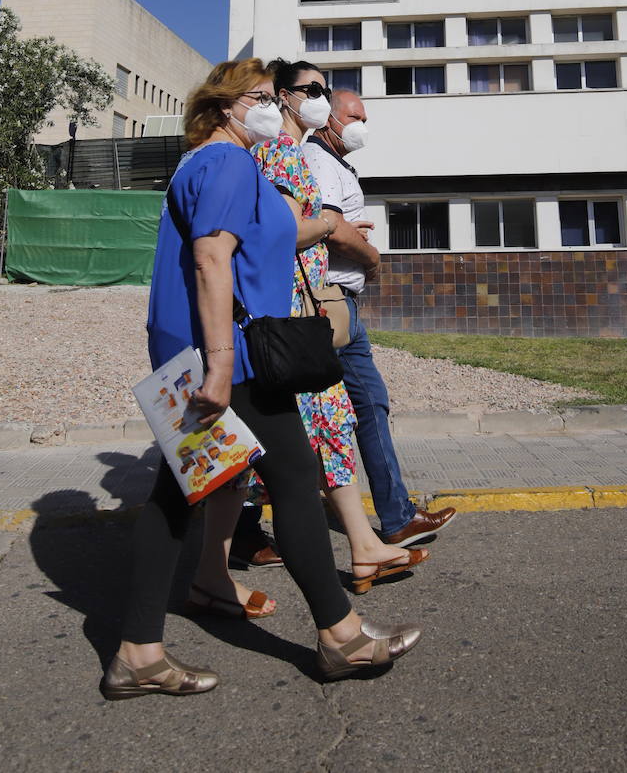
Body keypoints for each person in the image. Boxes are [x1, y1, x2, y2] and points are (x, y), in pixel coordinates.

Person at [101, 58, 421, 698]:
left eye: (276, 97)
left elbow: (257, 241)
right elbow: (212, 257)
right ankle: (342, 636)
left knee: (178, 497)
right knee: (295, 480)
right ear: (224, 107)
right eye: (261, 97)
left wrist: (325, 226)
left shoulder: (214, 166)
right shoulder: (226, 163)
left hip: (207, 354)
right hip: (233, 358)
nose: (275, 106)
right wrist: (220, 367)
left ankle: (138, 652)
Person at [251, 58, 429, 593]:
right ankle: (229, 555)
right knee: (297, 431)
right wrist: (335, 227)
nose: (321, 101)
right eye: (313, 91)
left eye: (325, 92)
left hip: (310, 303)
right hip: (290, 310)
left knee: (330, 419)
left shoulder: (300, 156)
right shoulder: (280, 153)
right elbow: (283, 232)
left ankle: (364, 544)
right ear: (284, 96)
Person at [304, 90, 457, 547]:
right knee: (367, 403)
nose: (361, 125)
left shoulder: (336, 163)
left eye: (365, 118)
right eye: (354, 116)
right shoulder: (320, 161)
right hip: (331, 301)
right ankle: (396, 517)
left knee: (359, 406)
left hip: (340, 301)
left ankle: (395, 515)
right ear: (327, 118)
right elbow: (331, 227)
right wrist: (370, 257)